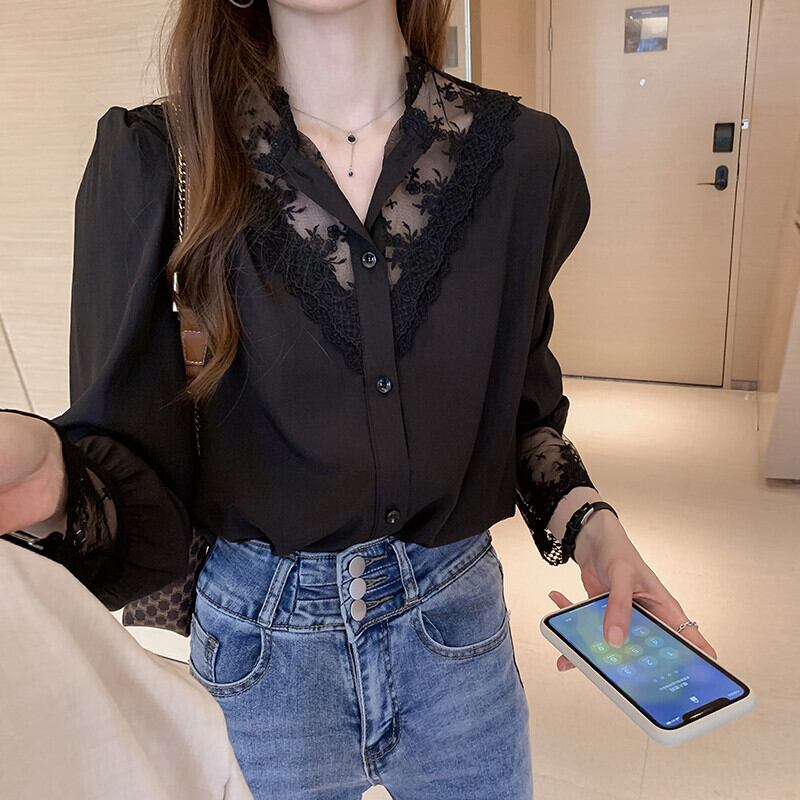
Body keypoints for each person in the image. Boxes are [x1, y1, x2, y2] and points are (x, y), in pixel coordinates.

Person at [0, 1, 718, 798]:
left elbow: (517, 413)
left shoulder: (523, 158)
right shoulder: (160, 159)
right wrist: (52, 478)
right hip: (261, 660)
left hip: (457, 636)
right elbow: (134, 491)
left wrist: (593, 529)